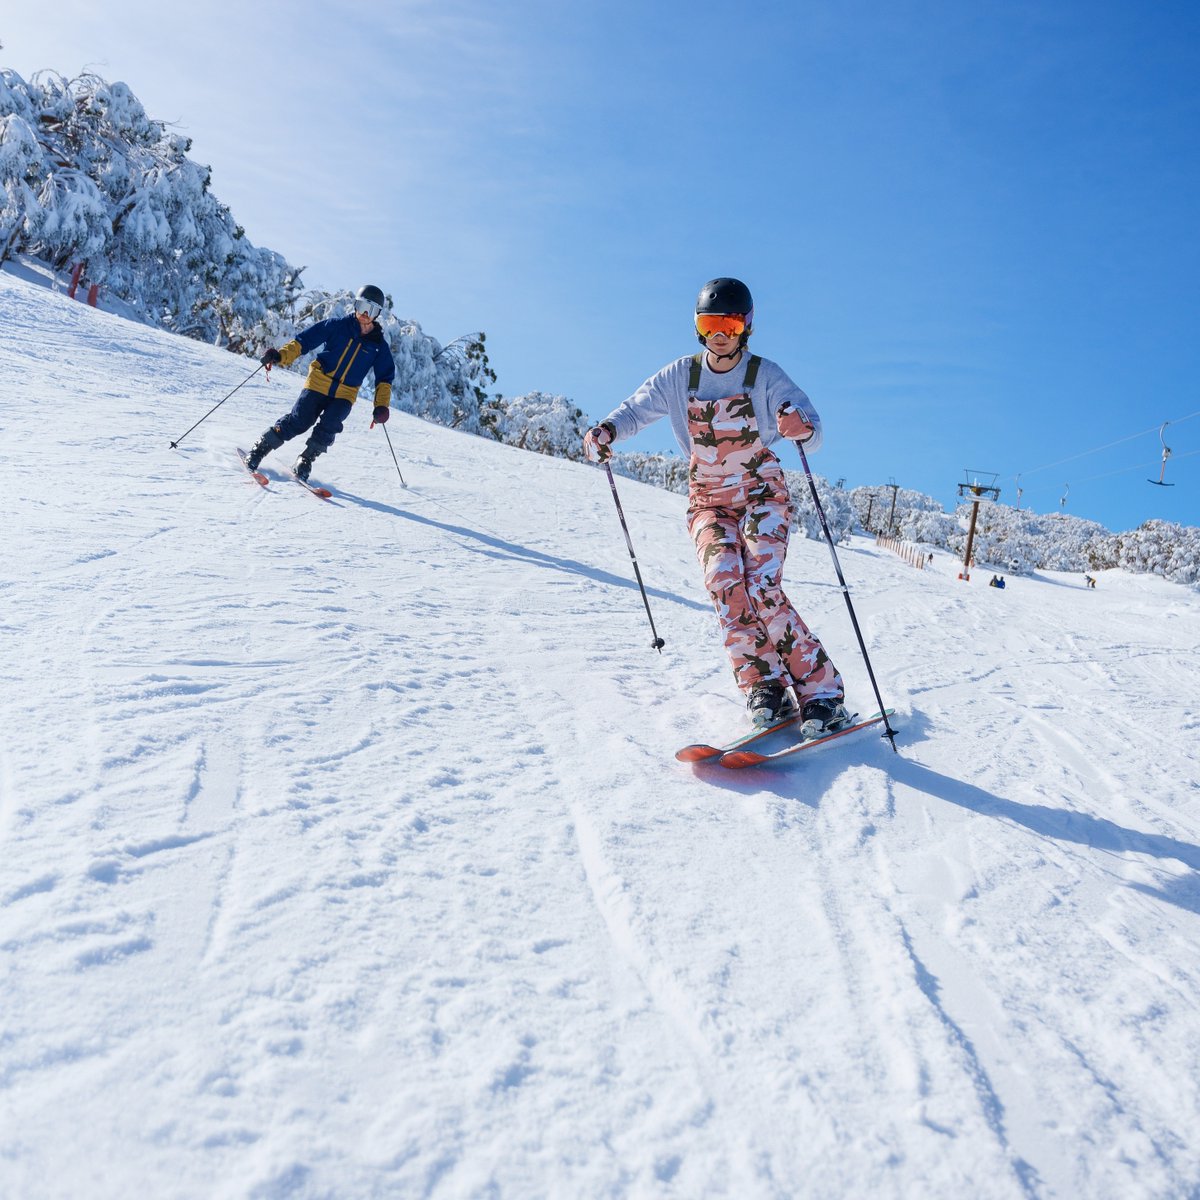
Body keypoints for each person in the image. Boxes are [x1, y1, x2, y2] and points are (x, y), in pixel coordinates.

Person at [583, 277, 846, 734]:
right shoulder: (679, 377)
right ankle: (765, 686)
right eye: (709, 323)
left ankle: (823, 693)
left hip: (761, 493)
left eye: (728, 322)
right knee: (725, 582)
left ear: (745, 326)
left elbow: (812, 428)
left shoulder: (763, 375)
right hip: (709, 501)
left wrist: (797, 424)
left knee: (761, 584)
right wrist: (605, 431)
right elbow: (635, 409)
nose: (719, 332)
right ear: (698, 327)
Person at [245, 285, 397, 481]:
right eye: (362, 306)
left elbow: (384, 378)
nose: (365, 314)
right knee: (299, 421)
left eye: (372, 310)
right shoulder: (336, 326)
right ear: (355, 306)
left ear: (377, 314)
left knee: (330, 425)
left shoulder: (378, 346)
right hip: (319, 382)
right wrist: (280, 355)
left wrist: (381, 406)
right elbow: (304, 341)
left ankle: (305, 459)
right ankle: (260, 448)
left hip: (345, 393)